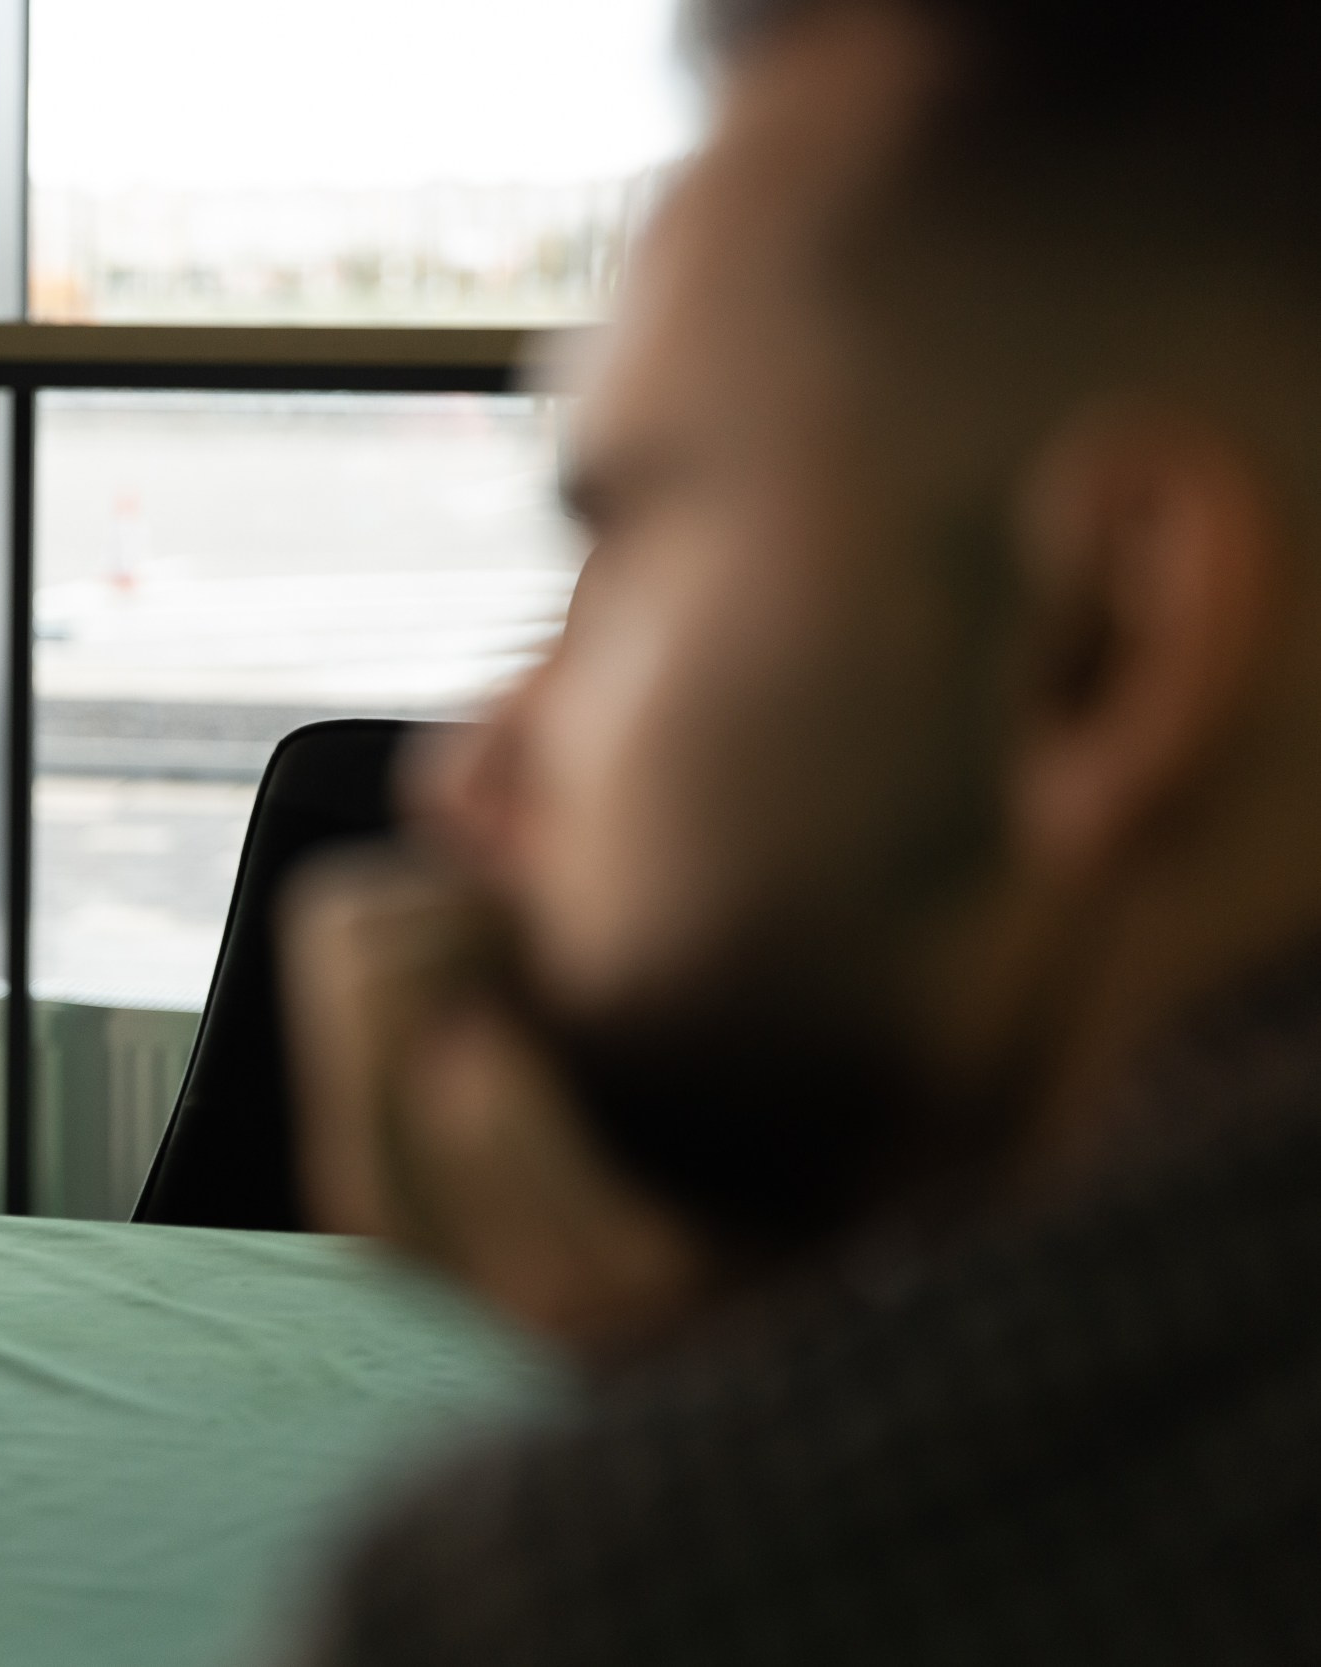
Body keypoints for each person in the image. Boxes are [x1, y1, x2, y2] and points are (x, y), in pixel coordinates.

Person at [279, 0, 1321, 1657]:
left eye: (630, 544)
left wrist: (676, 1477)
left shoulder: (548, 1604)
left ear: (1106, 638)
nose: (464, 775)